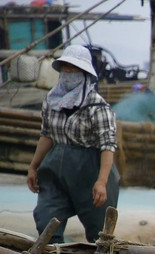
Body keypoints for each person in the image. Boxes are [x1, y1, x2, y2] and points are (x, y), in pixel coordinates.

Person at [26, 44, 119, 243]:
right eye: (65, 69)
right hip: (56, 168)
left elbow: (108, 146)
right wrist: (33, 166)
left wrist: (102, 181)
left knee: (99, 232)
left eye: (74, 70)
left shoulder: (98, 107)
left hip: (90, 170)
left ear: (84, 74)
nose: (68, 74)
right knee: (45, 218)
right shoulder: (51, 101)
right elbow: (47, 135)